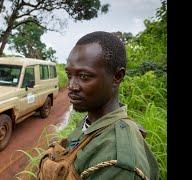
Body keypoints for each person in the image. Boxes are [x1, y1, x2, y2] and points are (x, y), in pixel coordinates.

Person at [38, 31, 160, 180]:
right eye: (69, 75)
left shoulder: (118, 164)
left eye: (84, 76)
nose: (71, 86)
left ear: (117, 77)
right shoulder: (91, 121)